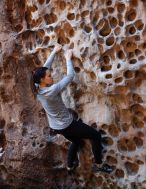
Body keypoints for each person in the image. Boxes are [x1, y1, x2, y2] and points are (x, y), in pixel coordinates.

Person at [30, 44, 113, 173]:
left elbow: (44, 68)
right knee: (95, 135)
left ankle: (69, 165)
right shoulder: (51, 90)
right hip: (67, 125)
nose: (51, 76)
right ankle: (99, 164)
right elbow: (69, 77)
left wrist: (54, 52)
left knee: (77, 141)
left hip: (56, 126)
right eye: (49, 76)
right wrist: (68, 58)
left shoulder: (36, 87)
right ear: (42, 80)